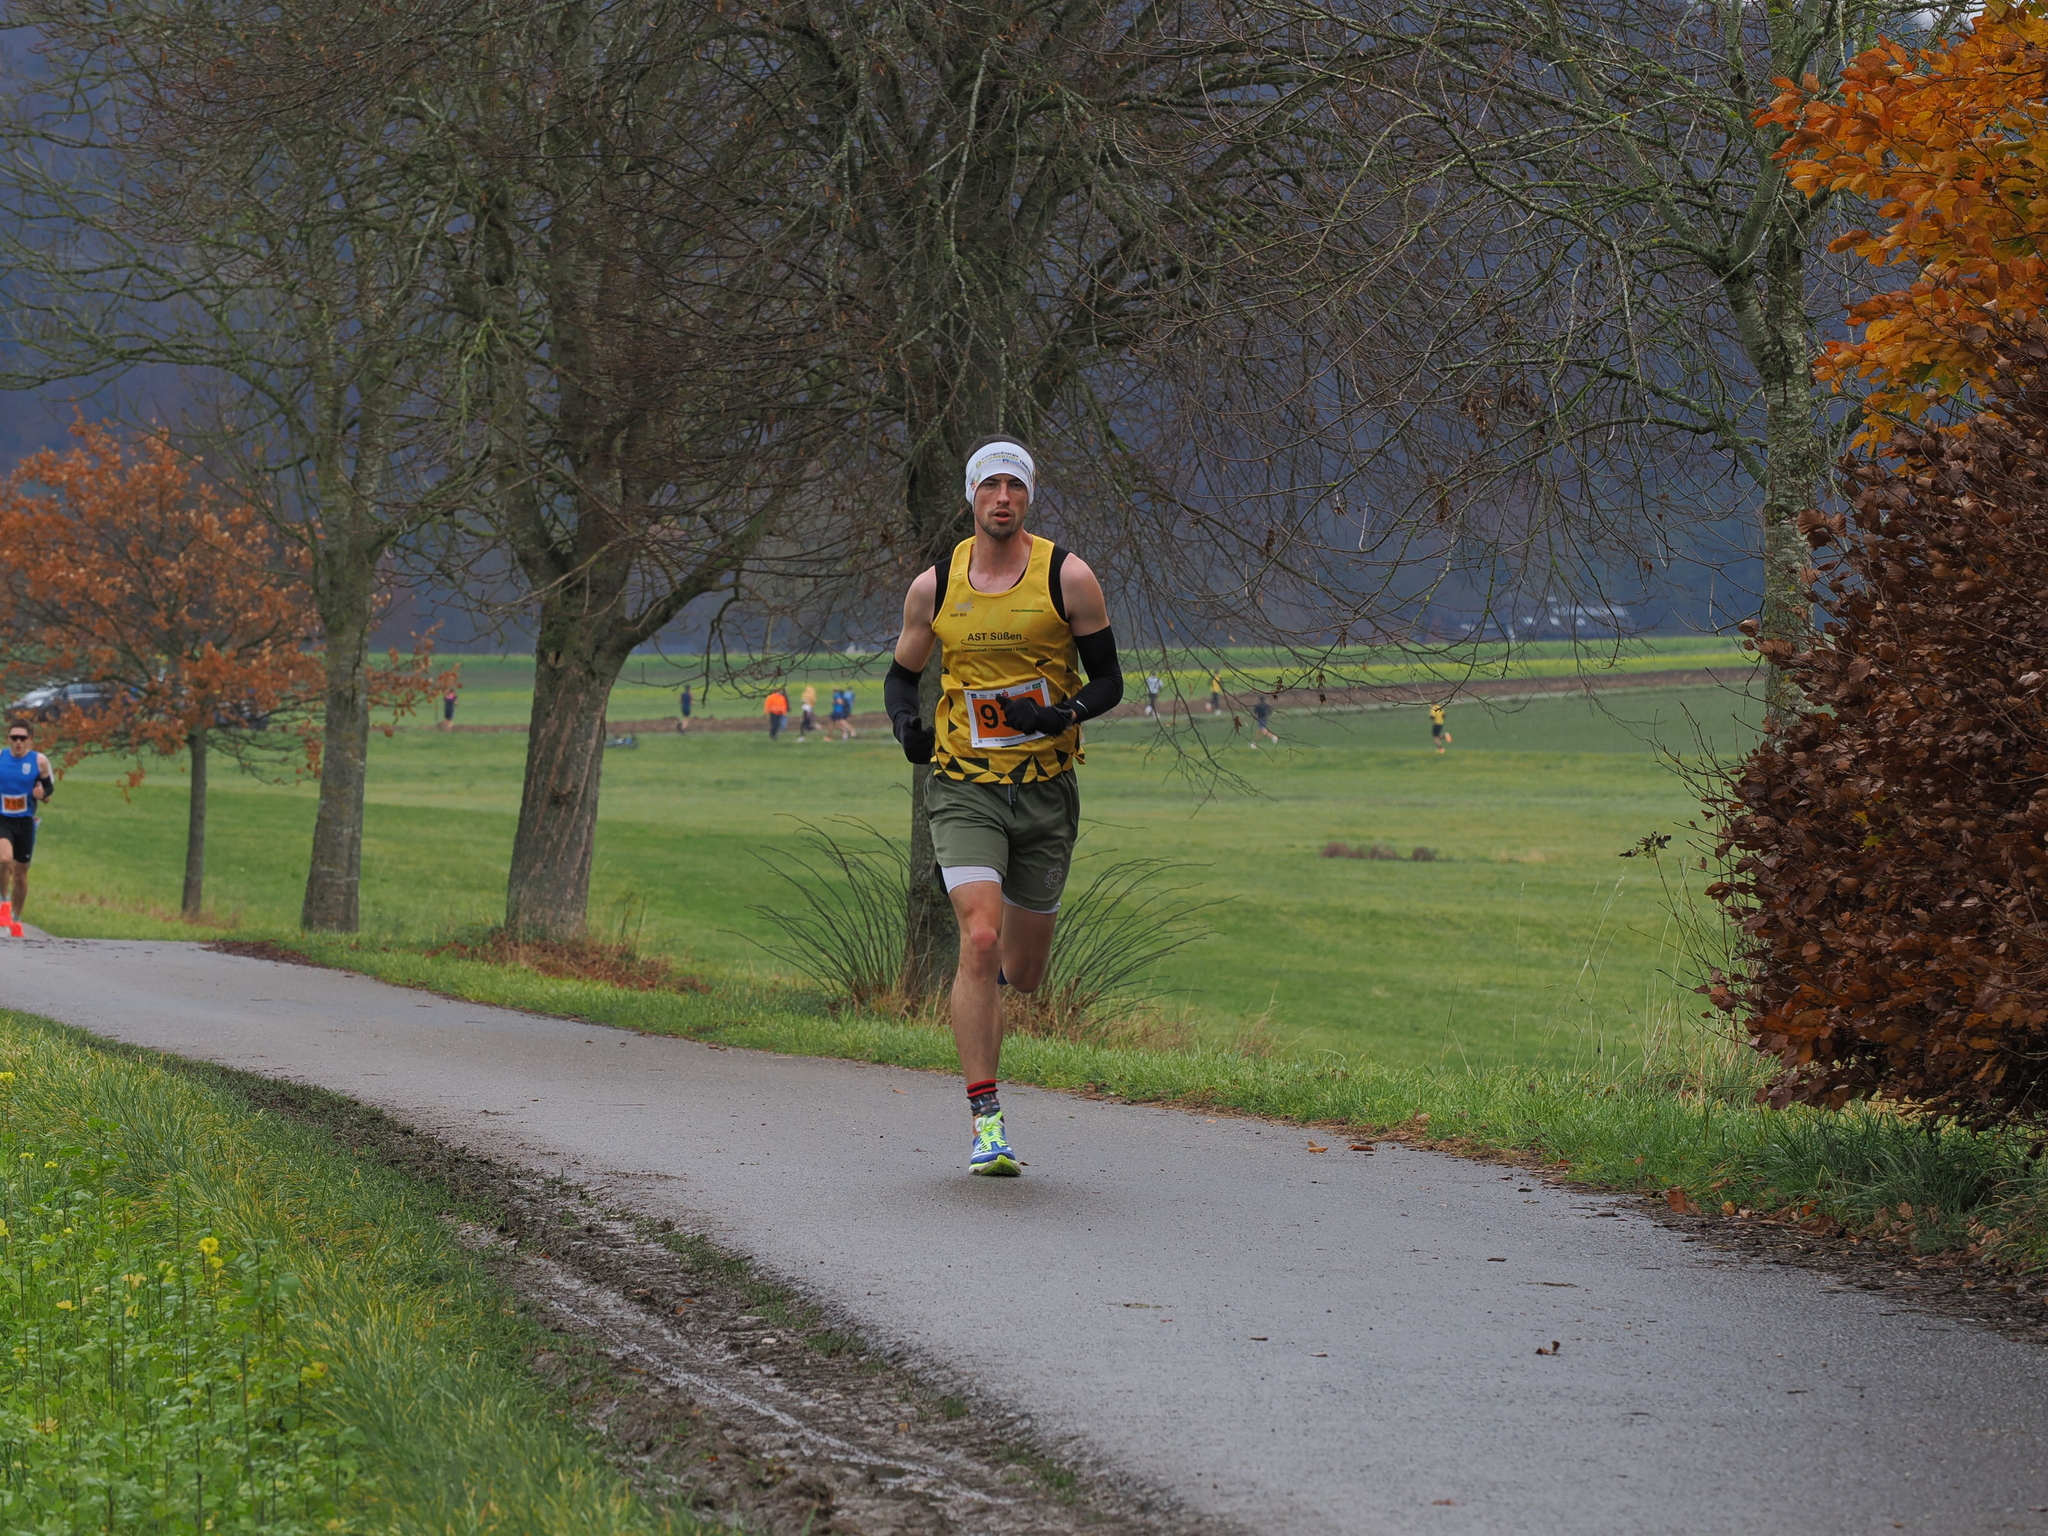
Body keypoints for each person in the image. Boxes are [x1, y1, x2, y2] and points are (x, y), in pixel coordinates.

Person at [885, 437, 1122, 1177]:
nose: (1002, 498)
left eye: (1014, 487)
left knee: (1022, 970)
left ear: (1028, 497)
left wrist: (1061, 714)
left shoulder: (1067, 576)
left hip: (1046, 790)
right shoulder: (934, 586)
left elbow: (1109, 681)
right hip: (964, 786)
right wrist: (906, 725)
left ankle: (988, 984)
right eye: (990, 486)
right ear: (972, 495)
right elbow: (900, 676)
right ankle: (987, 1123)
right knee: (980, 938)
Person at [0, 720, 54, 917]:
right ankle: (3, 900)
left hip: (25, 822)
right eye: (14, 738)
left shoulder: (39, 761)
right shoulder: (1, 757)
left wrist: (42, 793)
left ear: (30, 740)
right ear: (8, 739)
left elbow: (48, 788)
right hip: (3, 818)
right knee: (4, 859)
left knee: (20, 874)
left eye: (22, 738)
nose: (18, 742)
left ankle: (16, 917)